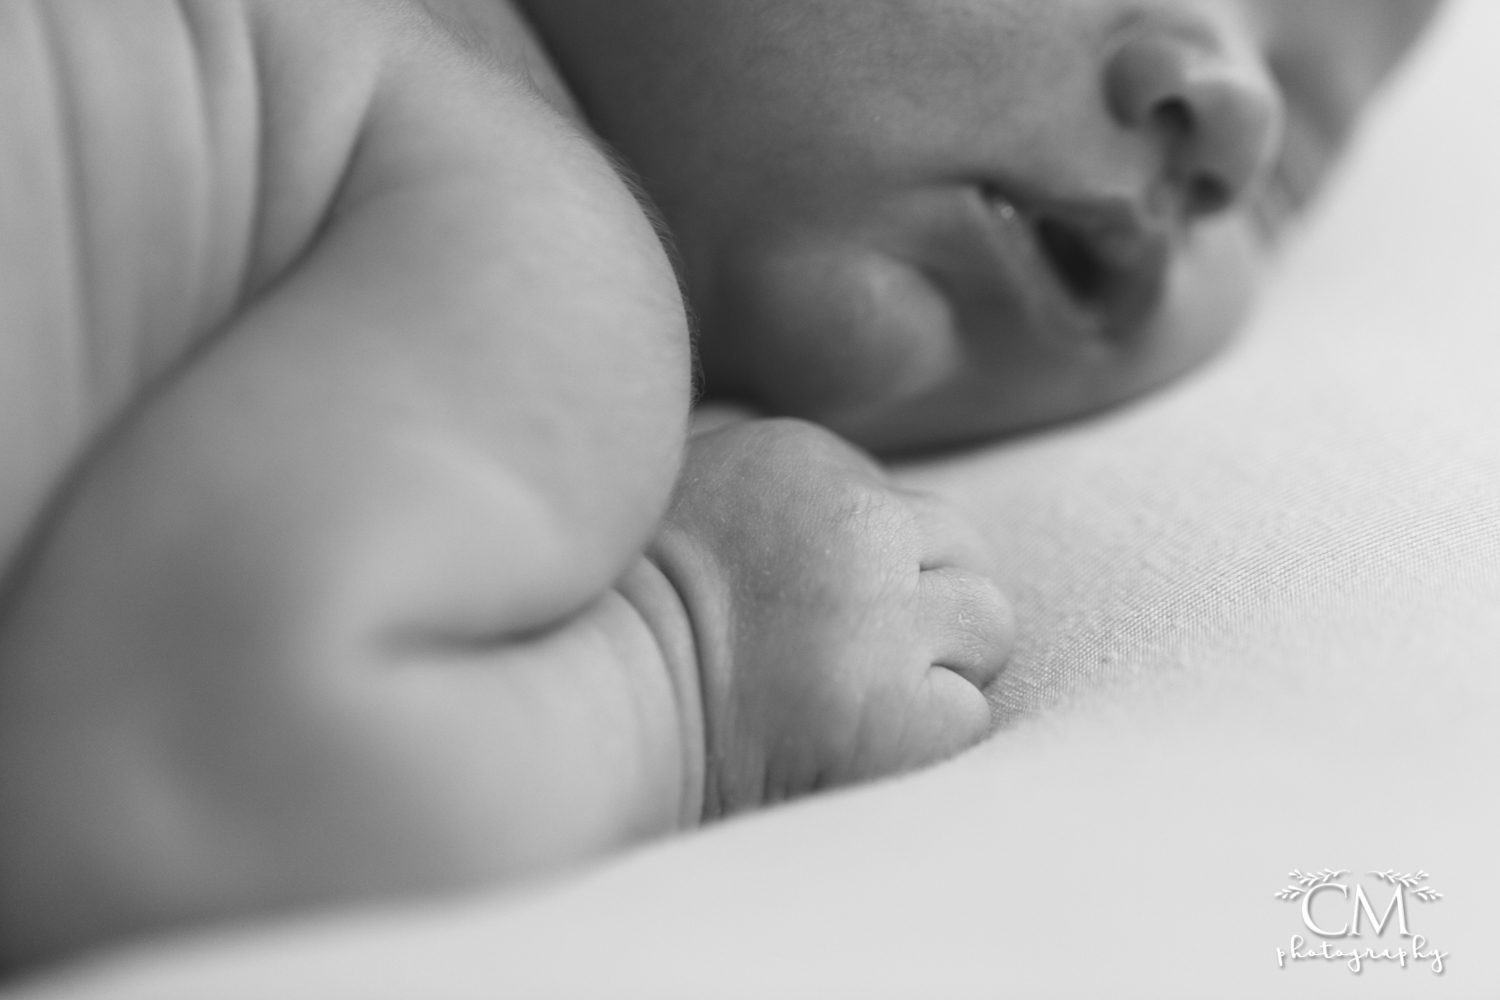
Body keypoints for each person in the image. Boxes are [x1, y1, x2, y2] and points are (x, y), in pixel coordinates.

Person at [0, 0, 1439, 970]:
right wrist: (696, 668)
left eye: (1294, 170)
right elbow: (179, 792)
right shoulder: (534, 245)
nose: (1237, 112)